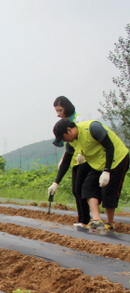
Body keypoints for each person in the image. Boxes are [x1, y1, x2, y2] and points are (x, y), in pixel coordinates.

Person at [50, 118, 129, 233]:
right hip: (98, 163)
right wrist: (55, 183)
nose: (64, 140)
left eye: (63, 137)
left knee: (108, 191)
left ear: (69, 130)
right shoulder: (72, 142)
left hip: (117, 159)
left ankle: (110, 224)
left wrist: (107, 171)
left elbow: (110, 147)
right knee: (87, 187)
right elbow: (66, 161)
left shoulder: (92, 128)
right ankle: (97, 221)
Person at [51, 96, 90, 228]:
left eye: (60, 110)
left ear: (67, 108)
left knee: (80, 190)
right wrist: (62, 162)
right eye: (57, 111)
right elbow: (68, 149)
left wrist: (81, 152)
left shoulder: (77, 120)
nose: (58, 114)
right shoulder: (64, 123)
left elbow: (84, 137)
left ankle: (85, 220)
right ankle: (82, 219)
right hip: (74, 161)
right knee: (75, 190)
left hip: (83, 159)